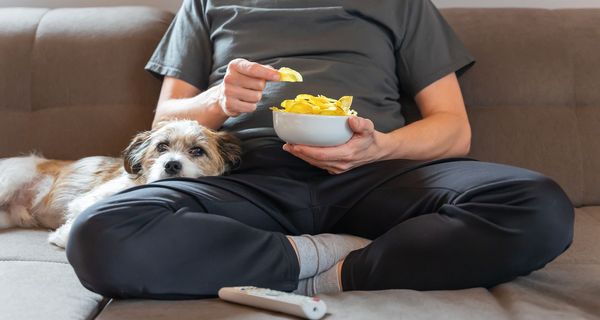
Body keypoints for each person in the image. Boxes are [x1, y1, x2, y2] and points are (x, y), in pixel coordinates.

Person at [66, 0, 574, 299]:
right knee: (98, 234)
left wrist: (382, 147)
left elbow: (454, 130)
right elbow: (163, 123)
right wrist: (220, 99)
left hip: (378, 171)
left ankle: (344, 272)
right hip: (246, 176)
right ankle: (310, 258)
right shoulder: (205, 3)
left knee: (537, 205)